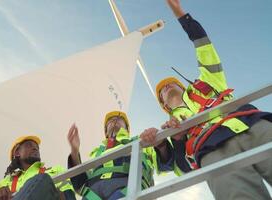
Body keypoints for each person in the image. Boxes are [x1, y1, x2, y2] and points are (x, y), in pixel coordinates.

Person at [155, 0, 272, 199]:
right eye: (162, 91)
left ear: (182, 86)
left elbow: (204, 47)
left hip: (251, 125)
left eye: (170, 83)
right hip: (211, 150)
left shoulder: (209, 81)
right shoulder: (171, 127)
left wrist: (182, 16)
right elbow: (184, 168)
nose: (166, 87)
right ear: (164, 105)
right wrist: (178, 140)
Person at [67, 110, 175, 200]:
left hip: (128, 189)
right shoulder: (96, 153)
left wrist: (160, 143)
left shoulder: (142, 141)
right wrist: (74, 151)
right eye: (110, 121)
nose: (114, 120)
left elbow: (166, 165)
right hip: (92, 195)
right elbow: (79, 184)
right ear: (105, 132)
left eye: (119, 119)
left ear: (127, 130)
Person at [0, 135, 76, 200]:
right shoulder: (6, 182)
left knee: (43, 178)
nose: (35, 148)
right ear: (17, 153)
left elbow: (70, 197)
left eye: (37, 147)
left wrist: (49, 192)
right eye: (29, 145)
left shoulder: (55, 170)